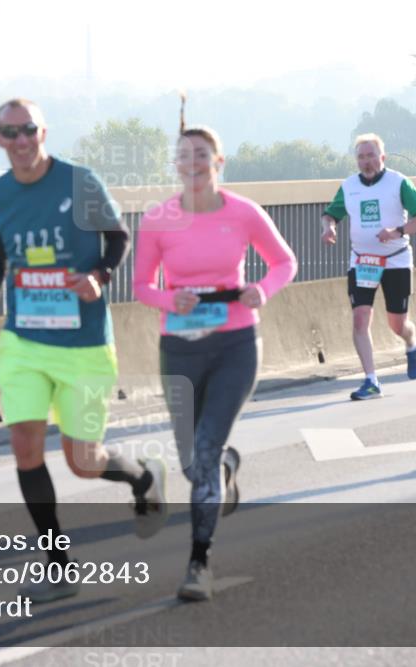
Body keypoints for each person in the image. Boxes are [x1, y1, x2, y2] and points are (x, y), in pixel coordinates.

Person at [0, 98, 167, 603]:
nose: (21, 140)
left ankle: (142, 478)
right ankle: (57, 564)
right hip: (24, 342)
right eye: (11, 133)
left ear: (43, 131)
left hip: (85, 344)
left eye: (29, 129)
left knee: (83, 461)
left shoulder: (80, 182)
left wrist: (98, 276)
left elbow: (119, 238)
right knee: (25, 446)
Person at [133, 98, 297, 601]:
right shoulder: (158, 219)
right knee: (191, 460)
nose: (194, 163)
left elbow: (283, 263)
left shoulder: (243, 212)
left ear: (218, 163)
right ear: (176, 165)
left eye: (203, 154)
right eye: (185, 155)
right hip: (179, 347)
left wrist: (260, 291)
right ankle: (224, 469)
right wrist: (169, 297)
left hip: (233, 343)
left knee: (201, 452)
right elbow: (141, 285)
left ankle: (198, 563)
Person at [321, 133, 416, 400]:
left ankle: (411, 343)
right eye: (361, 157)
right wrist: (328, 229)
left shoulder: (398, 183)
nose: (366, 161)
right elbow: (330, 214)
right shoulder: (349, 186)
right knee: (360, 317)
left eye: (371, 156)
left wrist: (397, 231)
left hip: (396, 259)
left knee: (397, 324)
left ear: (382, 157)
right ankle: (371, 380)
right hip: (362, 261)